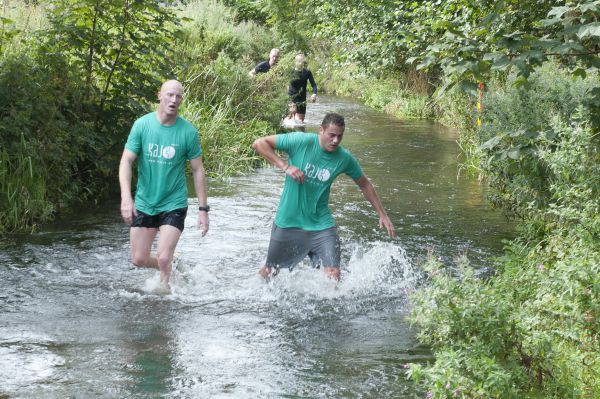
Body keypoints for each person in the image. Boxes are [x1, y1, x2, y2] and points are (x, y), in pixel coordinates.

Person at [252, 112, 396, 282]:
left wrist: (382, 214)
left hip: (321, 225)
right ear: (321, 130)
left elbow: (364, 183)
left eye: (340, 136)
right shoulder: (300, 141)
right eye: (331, 135)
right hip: (288, 221)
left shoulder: (344, 158)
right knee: (271, 270)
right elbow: (259, 143)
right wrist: (285, 166)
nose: (335, 140)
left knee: (334, 274)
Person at [119, 79, 209, 291]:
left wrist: (203, 210)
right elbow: (126, 161)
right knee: (139, 260)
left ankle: (165, 292)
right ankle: (172, 266)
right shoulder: (142, 125)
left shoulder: (188, 132)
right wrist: (126, 197)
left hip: (174, 202)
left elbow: (198, 170)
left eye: (178, 96)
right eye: (170, 94)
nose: (174, 100)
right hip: (145, 201)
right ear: (159, 95)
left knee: (163, 256)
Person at [288, 53, 317, 122]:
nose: (300, 63)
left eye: (301, 61)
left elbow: (314, 85)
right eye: (298, 61)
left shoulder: (307, 72)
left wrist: (314, 93)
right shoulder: (290, 71)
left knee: (300, 121)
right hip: (291, 98)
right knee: (291, 118)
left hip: (302, 99)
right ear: (295, 62)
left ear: (304, 62)